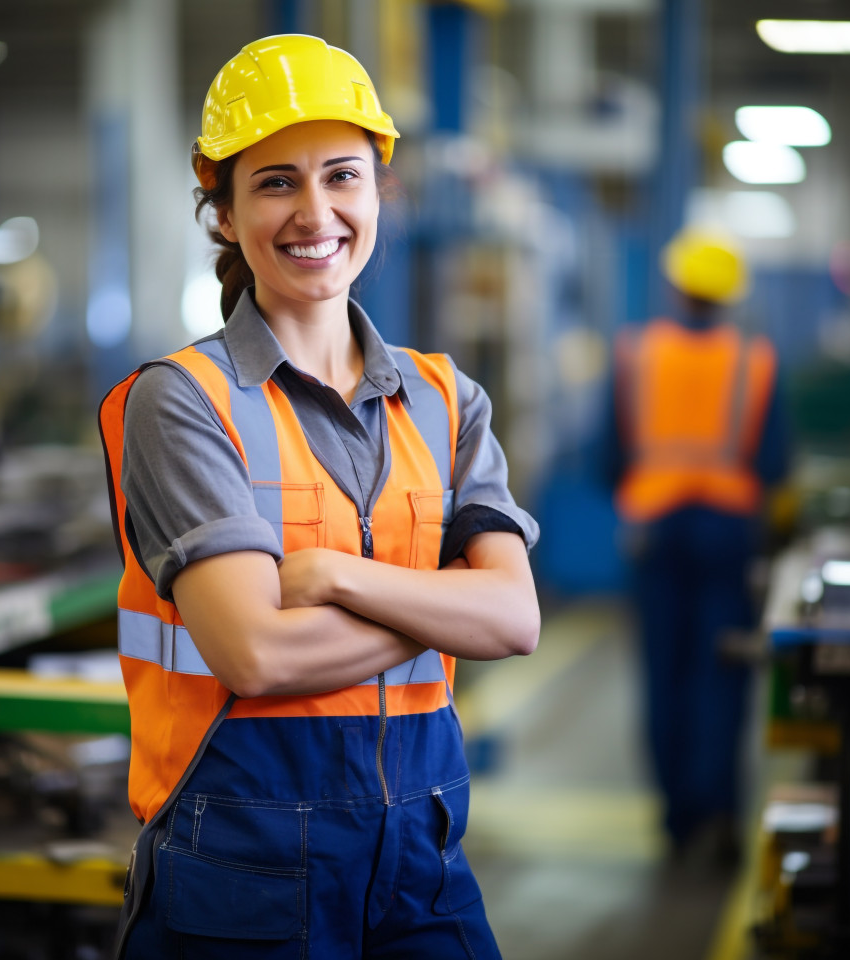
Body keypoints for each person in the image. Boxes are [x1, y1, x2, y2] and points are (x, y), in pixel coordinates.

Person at [98, 34, 540, 959]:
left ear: (382, 190)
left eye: (343, 176)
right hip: (241, 873)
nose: (316, 212)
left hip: (424, 861)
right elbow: (254, 653)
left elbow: (515, 621)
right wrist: (447, 606)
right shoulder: (181, 400)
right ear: (221, 211)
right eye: (274, 183)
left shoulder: (447, 398)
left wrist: (337, 575)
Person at [602, 227, 791, 864]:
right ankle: (718, 813)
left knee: (665, 676)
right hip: (727, 534)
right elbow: (775, 463)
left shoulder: (634, 355)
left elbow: (609, 455)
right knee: (722, 675)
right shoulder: (754, 361)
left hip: (655, 533)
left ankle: (677, 819)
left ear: (677, 287)